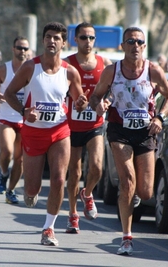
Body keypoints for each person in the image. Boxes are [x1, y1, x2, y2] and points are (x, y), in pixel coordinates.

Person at [89, 26, 168, 255]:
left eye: (139, 42)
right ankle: (126, 238)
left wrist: (160, 116)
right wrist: (98, 105)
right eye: (130, 42)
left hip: (146, 132)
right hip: (119, 130)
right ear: (123, 46)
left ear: (144, 46)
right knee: (127, 181)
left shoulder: (153, 70)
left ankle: (135, 195)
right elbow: (95, 96)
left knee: (146, 192)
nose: (135, 46)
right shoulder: (111, 71)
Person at [4, 22, 88, 246]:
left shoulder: (70, 72)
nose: (52, 41)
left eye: (57, 38)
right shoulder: (31, 67)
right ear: (43, 41)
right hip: (33, 132)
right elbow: (9, 93)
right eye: (48, 37)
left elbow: (79, 103)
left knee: (59, 179)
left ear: (63, 43)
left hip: (60, 131)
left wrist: (81, 103)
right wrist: (23, 111)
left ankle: (49, 229)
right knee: (32, 188)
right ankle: (30, 192)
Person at [63, 22, 112, 233]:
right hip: (71, 126)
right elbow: (56, 91)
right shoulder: (67, 64)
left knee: (97, 166)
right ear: (76, 39)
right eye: (84, 37)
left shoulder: (105, 63)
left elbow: (113, 90)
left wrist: (107, 101)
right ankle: (73, 214)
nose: (88, 41)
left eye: (91, 38)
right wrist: (73, 99)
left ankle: (88, 193)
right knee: (74, 172)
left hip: (94, 125)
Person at [0, 37, 30, 204]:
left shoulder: (32, 69)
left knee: (20, 159)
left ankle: (11, 191)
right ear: (13, 49)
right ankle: (4, 174)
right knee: (7, 152)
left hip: (25, 119)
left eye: (25, 49)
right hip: (6, 117)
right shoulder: (3, 69)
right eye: (19, 48)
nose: (22, 51)